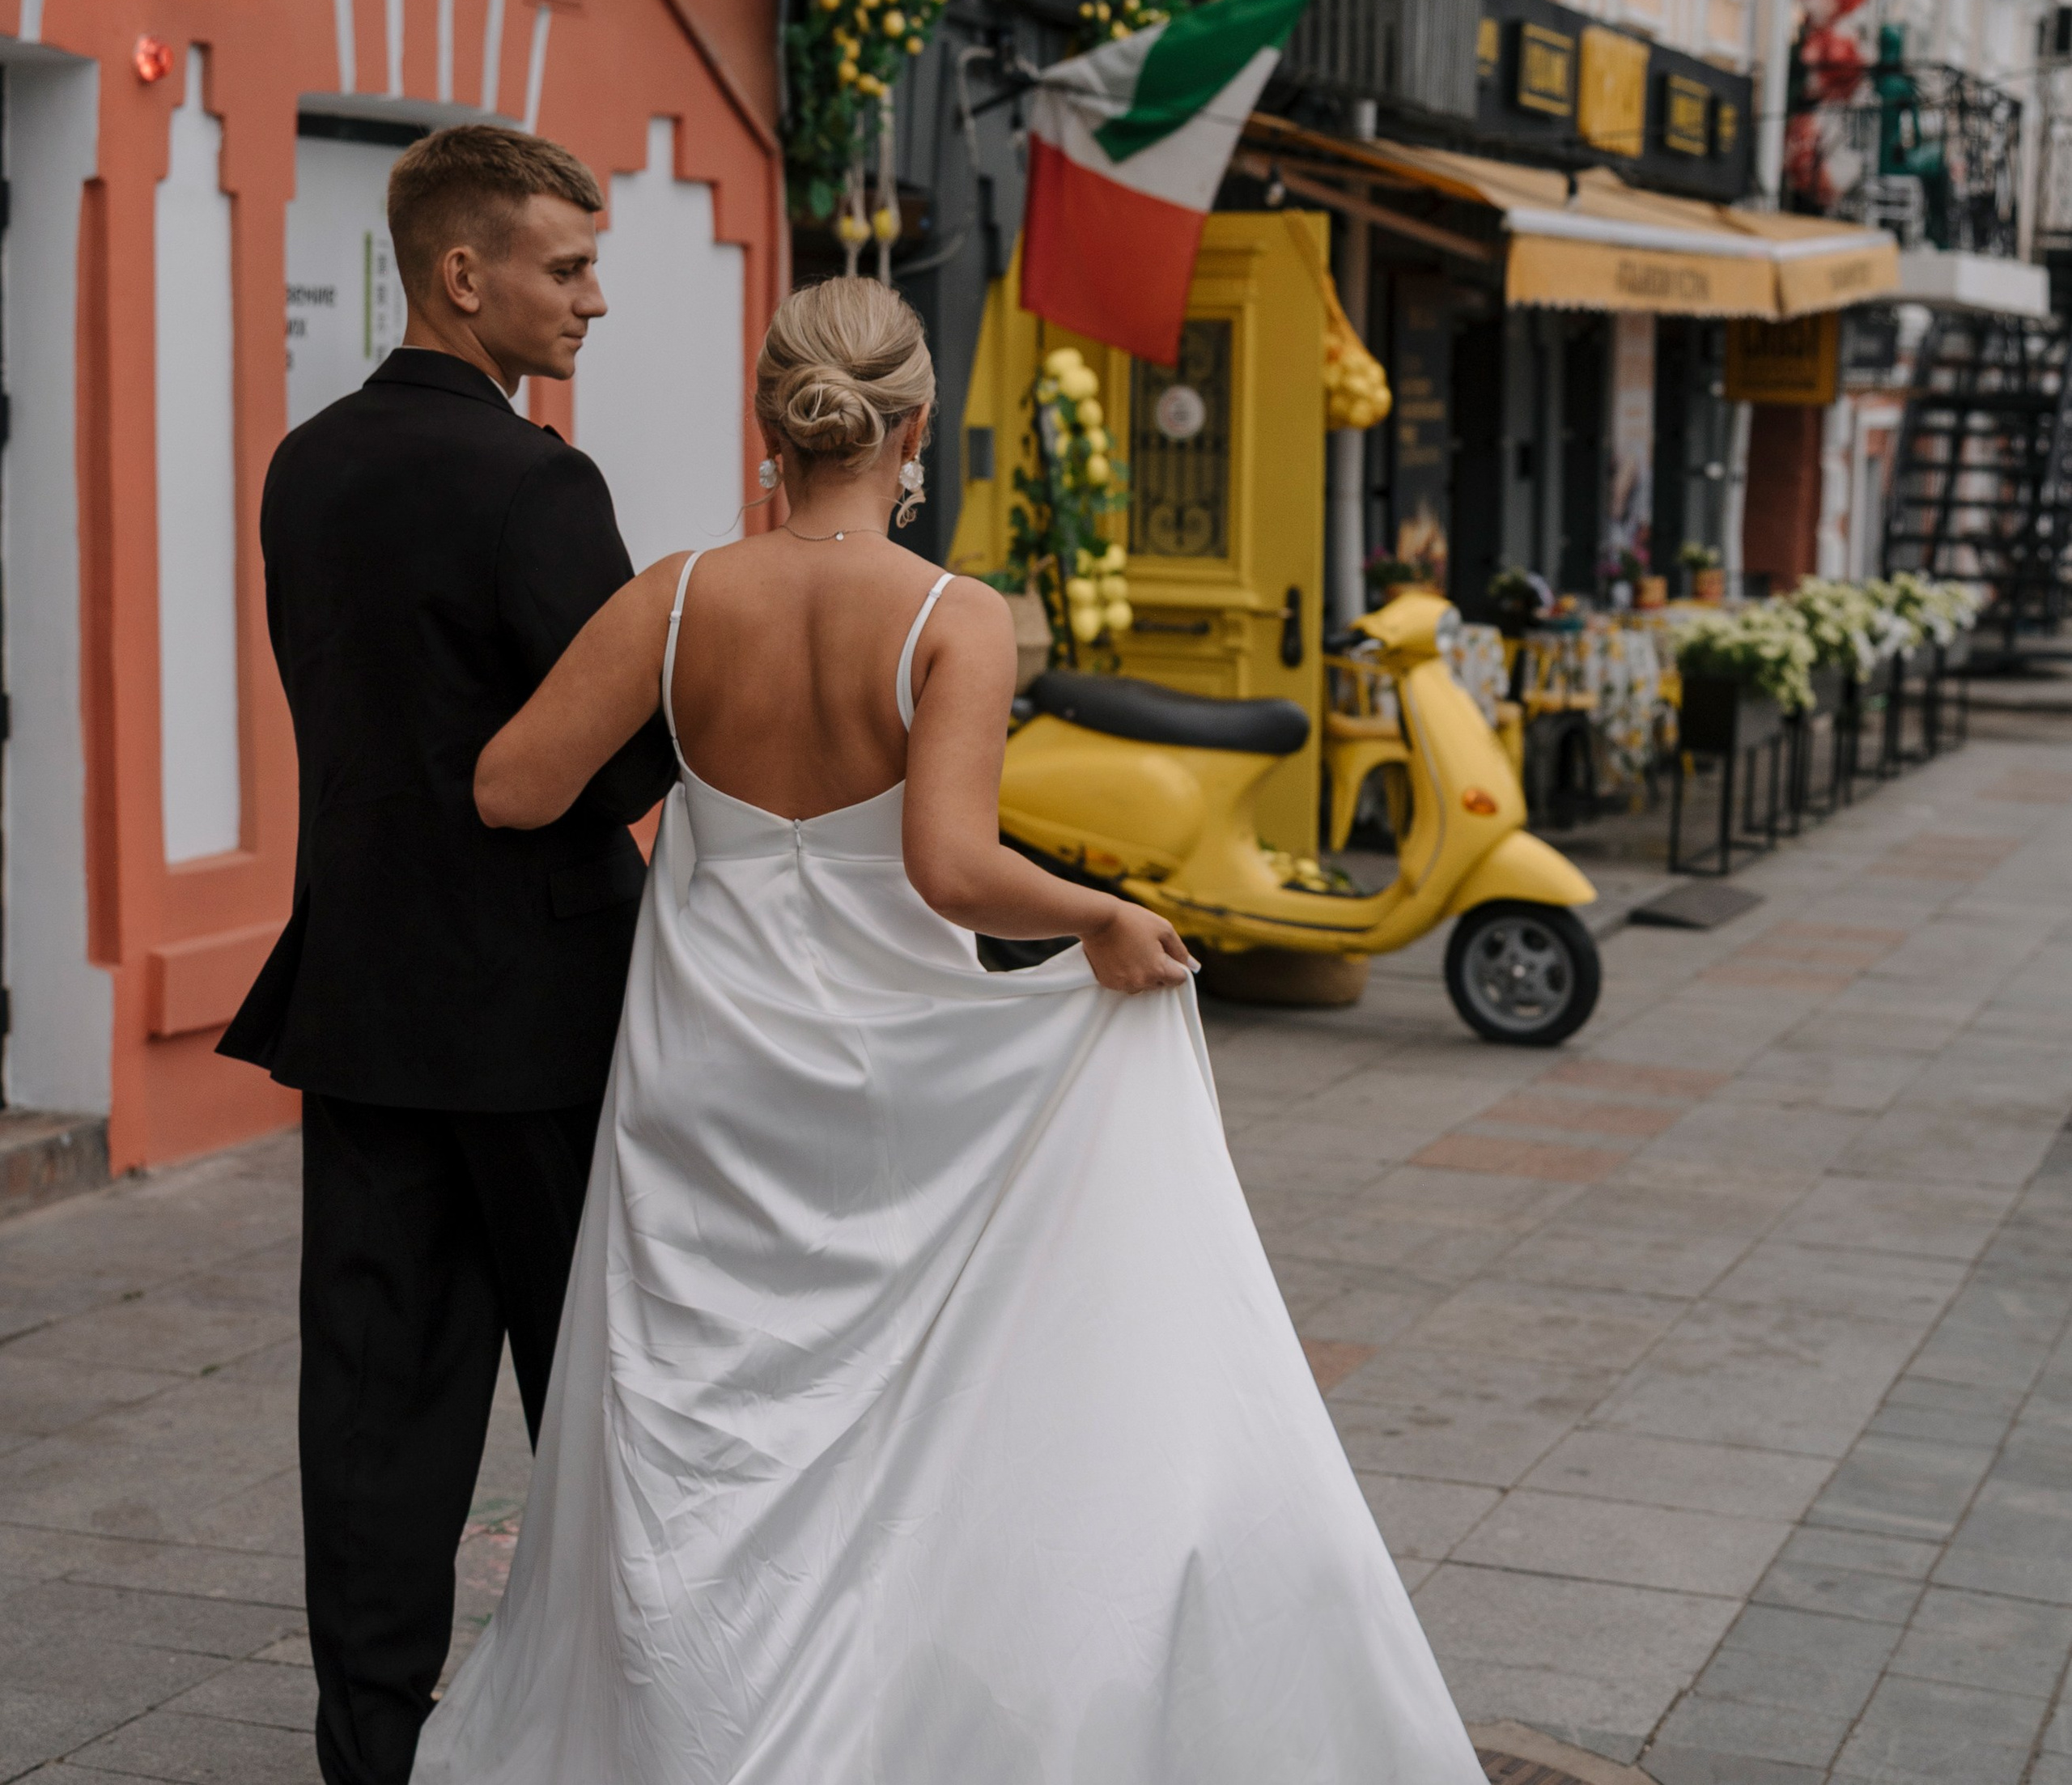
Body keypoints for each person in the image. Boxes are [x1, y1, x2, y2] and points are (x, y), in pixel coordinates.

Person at [412, 275, 1484, 1785]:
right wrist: (1104, 913)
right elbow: (951, 869)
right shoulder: (948, 616)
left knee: (703, 1416)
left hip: (704, 1066)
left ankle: (694, 1728)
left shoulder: (675, 594)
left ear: (771, 421)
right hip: (887, 1074)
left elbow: (512, 787)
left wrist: (696, 811)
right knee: (889, 1411)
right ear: (913, 432)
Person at [219, 124, 677, 1785]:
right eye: (568, 267)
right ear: (462, 273)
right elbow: (625, 756)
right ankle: (629, 1727)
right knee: (603, 1405)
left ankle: (372, 1751)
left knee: (372, 1411)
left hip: (358, 1005)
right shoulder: (538, 483)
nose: (594, 299)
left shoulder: (304, 465)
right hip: (538, 1023)